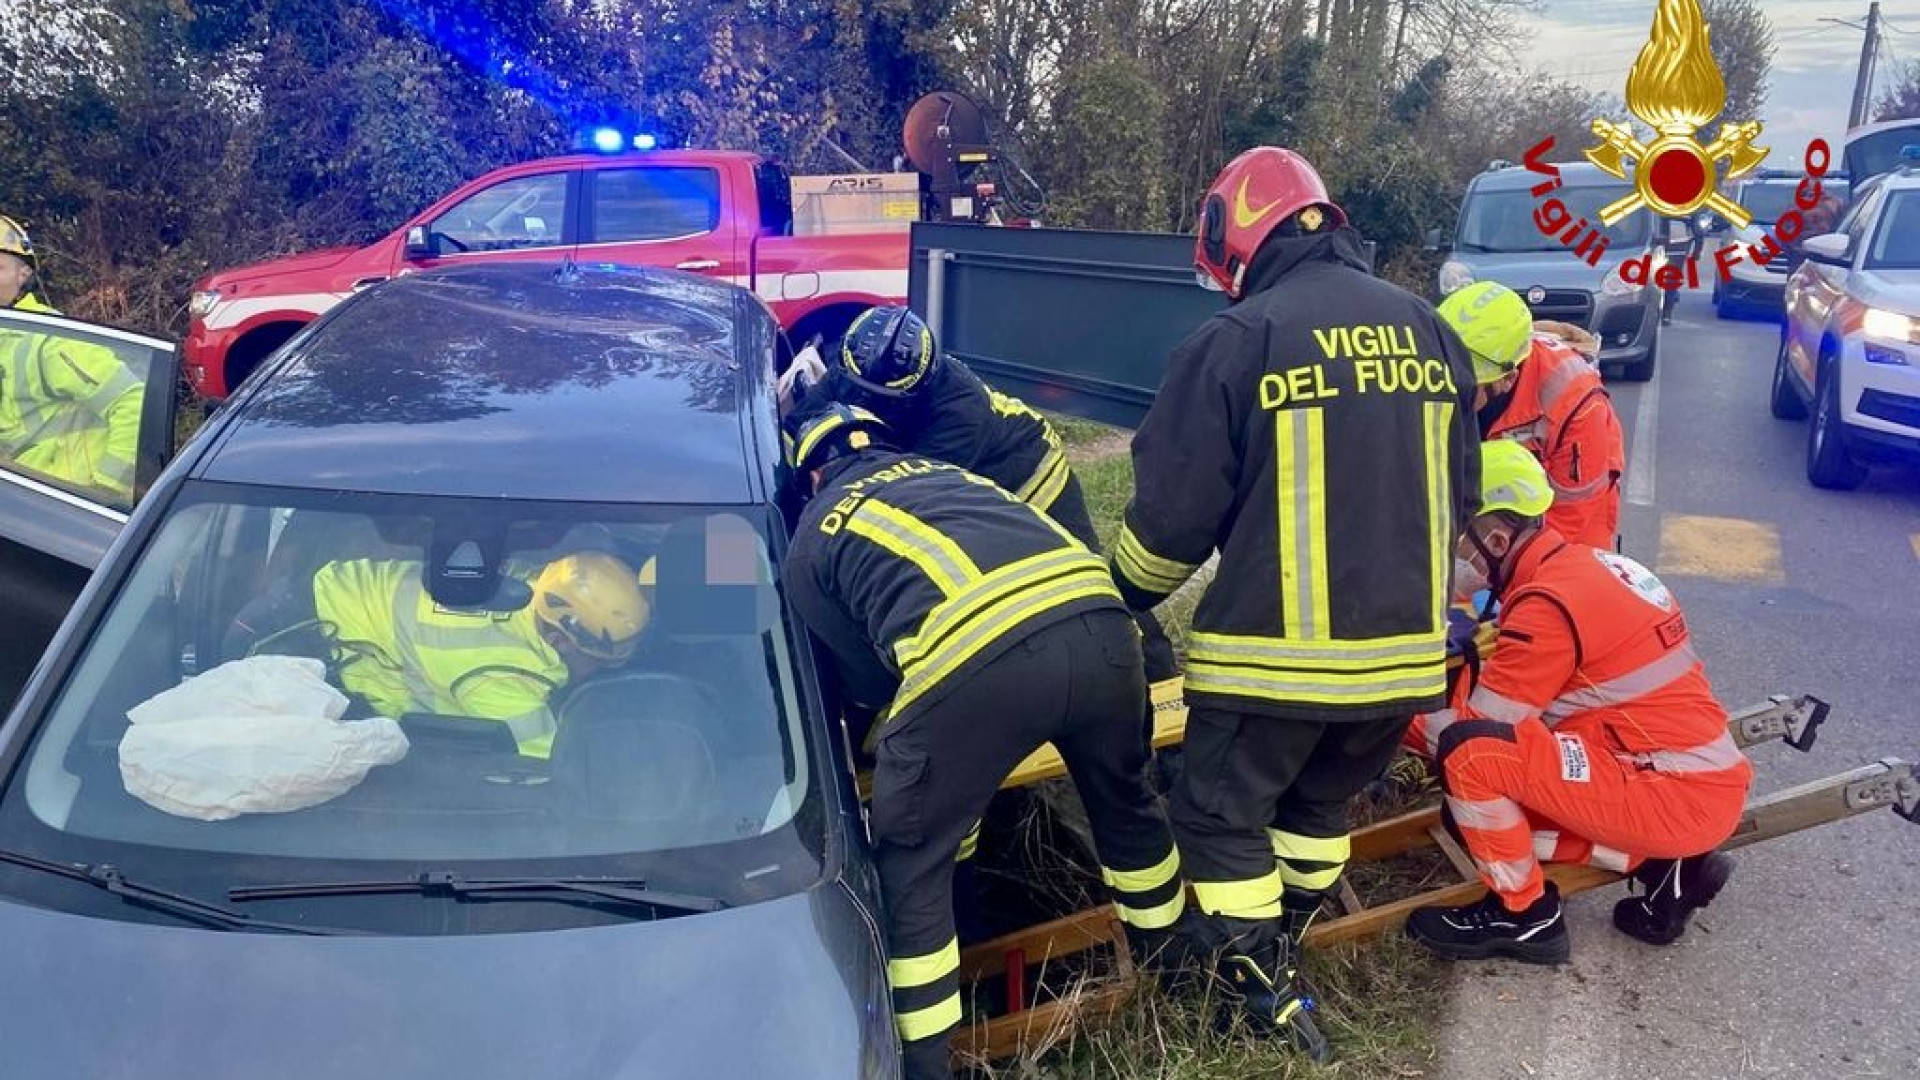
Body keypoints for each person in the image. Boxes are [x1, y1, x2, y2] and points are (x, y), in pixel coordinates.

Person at [1108, 146, 1479, 1056]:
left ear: (1235, 234)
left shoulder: (1238, 341)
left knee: (1215, 816)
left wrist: (1115, 597)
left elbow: (1167, 529)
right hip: (1401, 662)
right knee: (1315, 808)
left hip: (1272, 666)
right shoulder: (1430, 331)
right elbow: (1462, 494)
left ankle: (1255, 985)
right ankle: (1288, 939)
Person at [778, 401, 1184, 1080]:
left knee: (913, 859)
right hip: (1104, 630)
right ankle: (1175, 970)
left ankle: (926, 1062)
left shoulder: (814, 536)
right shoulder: (952, 475)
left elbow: (864, 684)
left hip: (977, 668)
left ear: (811, 475)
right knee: (1127, 807)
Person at [1405, 440, 1752, 963]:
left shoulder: (1547, 606)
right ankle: (1665, 865)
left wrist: (1396, 704)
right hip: (1691, 779)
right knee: (1476, 807)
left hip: (1669, 792)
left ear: (1497, 539)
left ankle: (1524, 916)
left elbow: (1476, 729)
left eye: (1460, 540)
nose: (1458, 553)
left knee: (1468, 760)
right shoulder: (1593, 568)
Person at [818, 305, 1178, 681]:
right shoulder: (856, 368)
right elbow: (807, 413)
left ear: (924, 384)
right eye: (862, 394)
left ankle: (1158, 676)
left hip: (1029, 476)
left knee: (1091, 583)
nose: (870, 405)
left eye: (888, 403)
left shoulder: (959, 413)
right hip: (975, 479)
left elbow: (903, 481)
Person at [310, 551, 650, 758]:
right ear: (560, 640)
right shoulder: (499, 673)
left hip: (335, 581)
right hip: (320, 634)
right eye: (600, 661)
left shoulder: (543, 589)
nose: (608, 669)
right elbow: (549, 762)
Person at [1439, 281, 1625, 550]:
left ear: (1507, 379)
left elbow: (1571, 520)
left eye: (1463, 388)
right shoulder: (1454, 363)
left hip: (1572, 518)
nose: (1450, 395)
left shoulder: (1576, 404)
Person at [0, 214, 145, 499]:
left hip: (67, 508)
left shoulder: (49, 338)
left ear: (23, 274)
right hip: (18, 503)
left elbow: (133, 400)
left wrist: (106, 488)